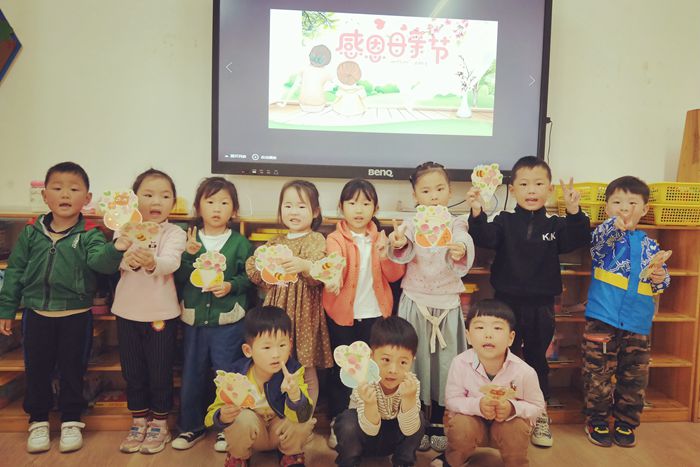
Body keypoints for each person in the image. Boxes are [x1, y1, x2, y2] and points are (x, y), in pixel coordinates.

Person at [0, 162, 130, 453]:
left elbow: (101, 262)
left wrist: (117, 248)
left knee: (73, 369)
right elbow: (15, 271)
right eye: (57, 188)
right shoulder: (31, 232)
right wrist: (6, 308)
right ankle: (38, 420)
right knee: (37, 370)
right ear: (45, 196)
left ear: (87, 198)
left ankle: (72, 419)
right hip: (36, 314)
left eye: (74, 189)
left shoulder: (91, 234)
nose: (65, 194)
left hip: (76, 316)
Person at [467, 156, 590, 447]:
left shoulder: (556, 225)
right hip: (504, 306)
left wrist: (574, 211)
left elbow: (578, 238)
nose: (531, 190)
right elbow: (484, 237)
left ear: (549, 189)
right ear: (512, 190)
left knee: (536, 361)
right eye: (523, 184)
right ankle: (496, 413)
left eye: (538, 184)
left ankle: (539, 415)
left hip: (541, 306)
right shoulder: (504, 221)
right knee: (500, 359)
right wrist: (477, 211)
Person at [388, 162, 475, 452]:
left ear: (450, 192)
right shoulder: (411, 224)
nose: (434, 195)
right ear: (415, 196)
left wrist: (461, 248)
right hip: (415, 301)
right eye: (426, 191)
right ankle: (414, 421)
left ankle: (439, 419)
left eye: (439, 189)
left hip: (447, 303)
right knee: (413, 363)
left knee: (445, 364)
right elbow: (401, 245)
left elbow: (462, 238)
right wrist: (398, 241)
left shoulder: (456, 222)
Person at [582, 176, 669, 448]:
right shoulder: (604, 238)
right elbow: (599, 244)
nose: (624, 208)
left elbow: (661, 282)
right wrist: (613, 226)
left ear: (644, 209)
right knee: (597, 374)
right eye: (617, 202)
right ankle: (596, 420)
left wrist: (660, 277)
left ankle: (626, 423)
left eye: (632, 203)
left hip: (637, 322)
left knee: (634, 377)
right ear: (607, 208)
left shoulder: (651, 246)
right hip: (602, 318)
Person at [172, 177, 253, 451]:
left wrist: (231, 286)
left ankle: (227, 428)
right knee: (192, 374)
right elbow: (179, 277)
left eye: (224, 202)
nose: (217, 208)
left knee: (228, 374)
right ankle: (190, 426)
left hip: (228, 322)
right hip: (194, 320)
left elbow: (249, 278)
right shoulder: (189, 238)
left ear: (234, 209)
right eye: (210, 201)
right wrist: (187, 255)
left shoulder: (240, 243)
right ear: (199, 206)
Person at [323, 178, 405, 447]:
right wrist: (333, 276)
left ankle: (372, 420)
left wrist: (386, 254)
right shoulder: (334, 238)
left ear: (375, 208)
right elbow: (334, 266)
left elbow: (395, 275)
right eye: (352, 203)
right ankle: (338, 421)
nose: (358, 209)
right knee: (343, 371)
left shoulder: (381, 238)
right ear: (341, 207)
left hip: (375, 316)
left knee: (373, 371)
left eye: (366, 203)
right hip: (343, 317)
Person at [112, 168, 187, 454]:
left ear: (173, 202)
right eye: (148, 194)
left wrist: (151, 261)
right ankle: (138, 421)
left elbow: (171, 262)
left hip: (161, 314)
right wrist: (128, 259)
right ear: (135, 199)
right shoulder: (124, 228)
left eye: (165, 196)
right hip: (126, 311)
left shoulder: (175, 233)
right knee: (132, 372)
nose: (157, 201)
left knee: (160, 371)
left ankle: (160, 423)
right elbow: (115, 261)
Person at [245, 180, 333, 405]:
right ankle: (276, 410)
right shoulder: (275, 241)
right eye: (288, 206)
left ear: (315, 211)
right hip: (277, 309)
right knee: (275, 362)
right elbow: (256, 274)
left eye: (301, 206)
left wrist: (303, 265)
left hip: (304, 313)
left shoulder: (316, 239)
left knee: (305, 366)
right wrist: (261, 264)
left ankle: (305, 413)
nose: (294, 211)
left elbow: (320, 273)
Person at [436, 299, 545, 467]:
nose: (488, 334)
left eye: (497, 328)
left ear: (511, 338)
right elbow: (451, 400)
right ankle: (454, 460)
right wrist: (477, 405)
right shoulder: (460, 363)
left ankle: (516, 463)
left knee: (516, 428)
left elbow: (538, 407)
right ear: (468, 336)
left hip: (506, 427)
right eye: (480, 327)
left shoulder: (524, 371)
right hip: (473, 424)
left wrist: (512, 408)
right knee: (461, 424)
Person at [204, 305, 315, 467]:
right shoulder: (235, 376)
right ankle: (239, 457)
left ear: (290, 345)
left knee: (304, 416)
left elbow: (304, 415)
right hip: (254, 433)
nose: (276, 354)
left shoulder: (293, 372)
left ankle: (291, 454)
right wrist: (221, 415)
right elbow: (210, 416)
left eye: (282, 345)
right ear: (248, 350)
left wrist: (295, 396)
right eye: (267, 347)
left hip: (280, 433)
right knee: (242, 418)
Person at [333, 316, 424, 467]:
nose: (393, 370)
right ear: (371, 356)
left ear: (412, 361)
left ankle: (402, 462)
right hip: (365, 436)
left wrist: (408, 400)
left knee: (418, 418)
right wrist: (370, 404)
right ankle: (350, 462)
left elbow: (410, 430)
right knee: (347, 422)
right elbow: (370, 431)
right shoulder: (363, 381)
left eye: (403, 362)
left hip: (394, 437)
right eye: (386, 360)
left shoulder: (411, 384)